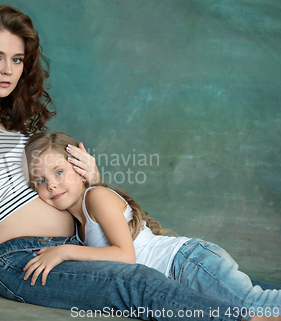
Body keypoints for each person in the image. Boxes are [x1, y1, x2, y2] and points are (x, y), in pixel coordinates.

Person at [0, 5, 273, 321]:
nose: (8, 69)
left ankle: (259, 311)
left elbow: (58, 194)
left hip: (77, 246)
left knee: (207, 282)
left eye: (16, 59)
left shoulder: (15, 125)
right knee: (137, 285)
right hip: (19, 261)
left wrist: (93, 181)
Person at [23, 131, 281, 315]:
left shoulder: (96, 197)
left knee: (256, 306)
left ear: (80, 169)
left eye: (58, 172)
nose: (52, 184)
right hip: (177, 278)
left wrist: (64, 252)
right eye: (41, 181)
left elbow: (125, 256)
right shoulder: (76, 222)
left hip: (187, 263)